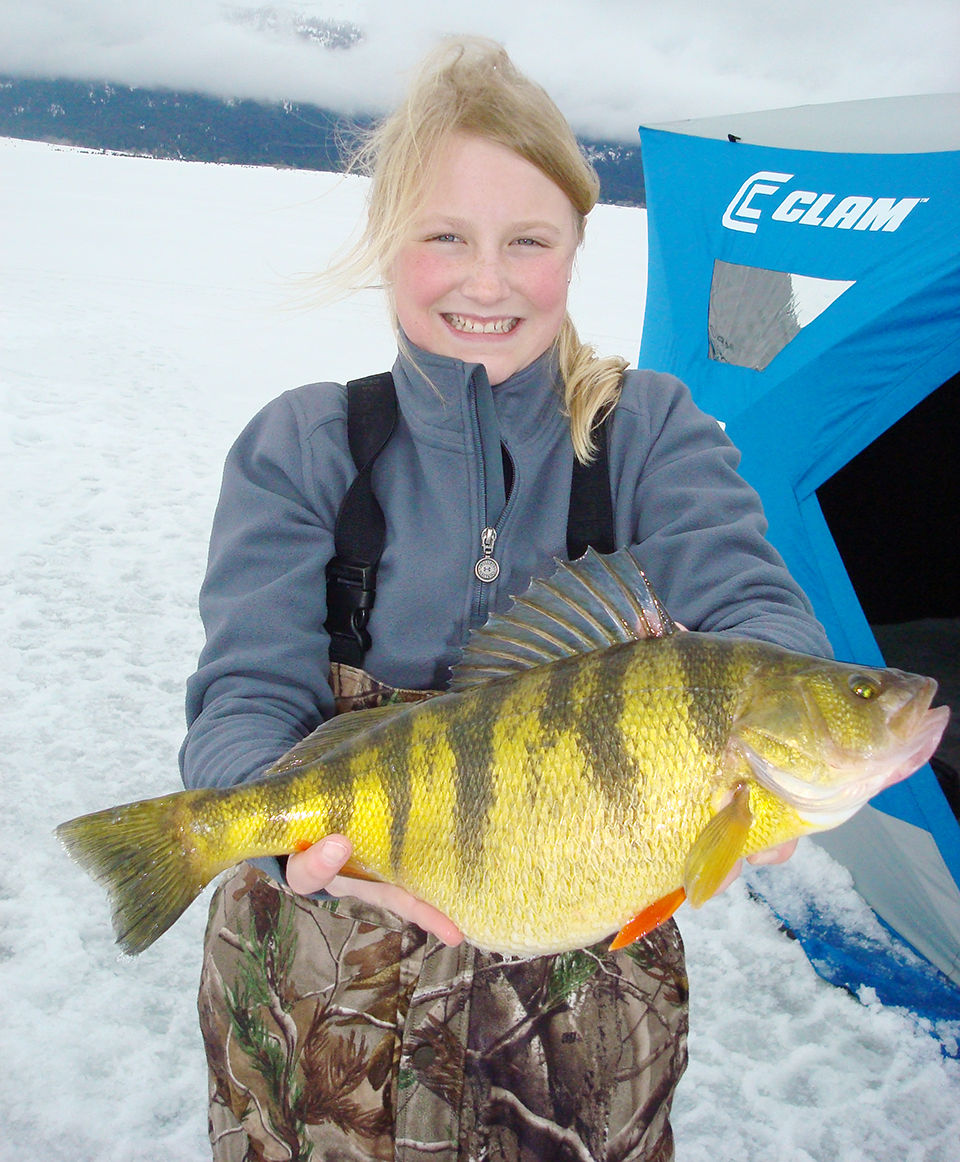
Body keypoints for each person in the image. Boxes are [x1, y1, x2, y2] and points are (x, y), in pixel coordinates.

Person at [180, 36, 831, 1162]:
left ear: (579, 246)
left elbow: (754, 609)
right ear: (389, 246)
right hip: (323, 1008)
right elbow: (245, 691)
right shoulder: (305, 446)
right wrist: (278, 830)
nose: (488, 280)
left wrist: (777, 739)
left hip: (576, 1056)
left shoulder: (649, 435)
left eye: (528, 240)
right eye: (445, 237)